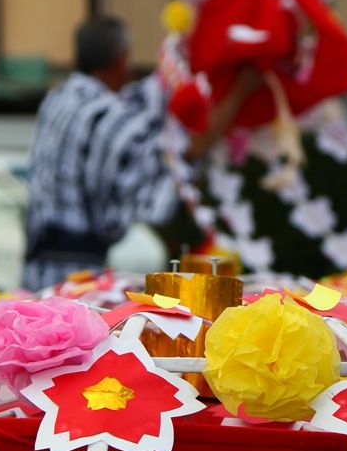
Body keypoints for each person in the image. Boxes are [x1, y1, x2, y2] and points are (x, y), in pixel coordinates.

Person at [23, 15, 258, 290]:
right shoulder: (108, 116)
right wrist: (240, 90)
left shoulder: (56, 100)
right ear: (120, 60)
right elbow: (178, 157)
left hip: (35, 270)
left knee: (29, 330)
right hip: (76, 280)